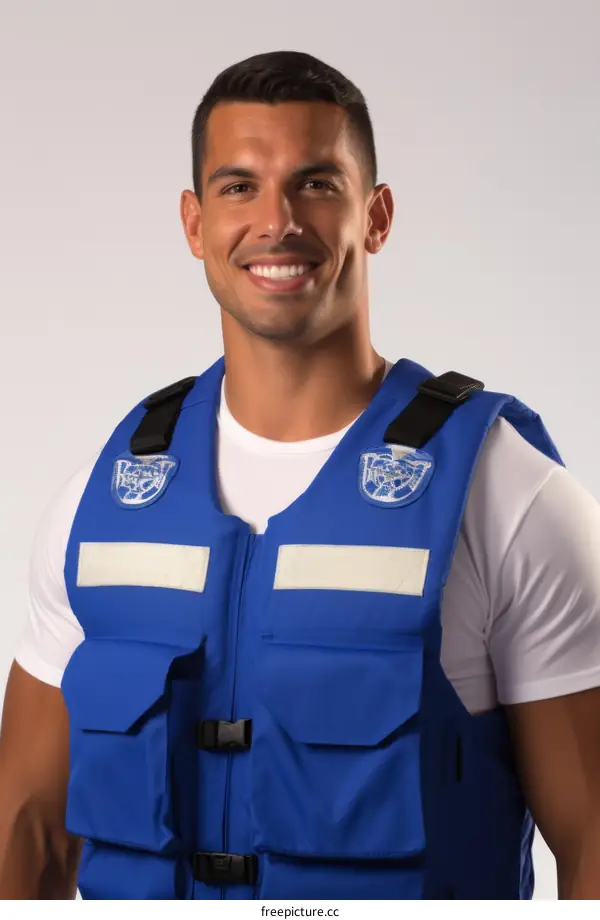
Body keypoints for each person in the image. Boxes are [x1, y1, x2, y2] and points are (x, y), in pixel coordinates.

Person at [1, 50, 600, 902]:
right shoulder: (101, 502)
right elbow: (24, 838)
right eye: (238, 186)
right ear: (194, 222)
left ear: (377, 215)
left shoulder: (510, 497)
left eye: (316, 183)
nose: (276, 221)